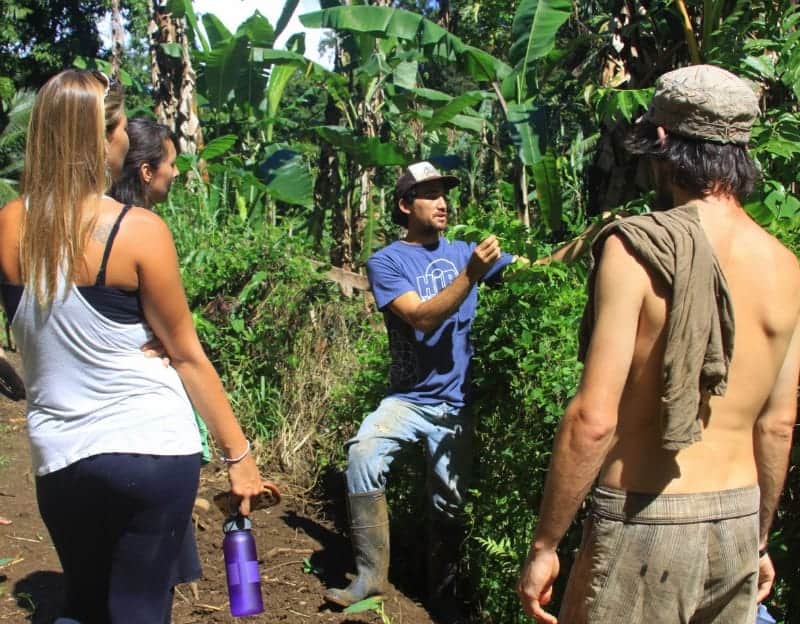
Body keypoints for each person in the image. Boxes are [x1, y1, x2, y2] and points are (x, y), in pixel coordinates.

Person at [517, 65, 800, 624]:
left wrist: (546, 545)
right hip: (738, 521)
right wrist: (759, 540)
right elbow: (778, 424)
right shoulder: (787, 267)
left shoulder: (637, 248)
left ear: (663, 141)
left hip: (646, 522)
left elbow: (594, 419)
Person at [0, 69, 276, 623]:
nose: (126, 138)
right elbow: (186, 354)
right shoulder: (138, 230)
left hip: (59, 454)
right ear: (103, 138)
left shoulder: (9, 225)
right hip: (149, 447)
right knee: (139, 608)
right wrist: (239, 458)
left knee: (84, 601)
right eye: (122, 126)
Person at [323, 161, 517, 623]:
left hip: (456, 403)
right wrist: (472, 272)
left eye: (444, 193)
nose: (443, 202)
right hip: (409, 400)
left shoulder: (464, 251)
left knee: (448, 502)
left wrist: (594, 241)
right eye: (430, 194)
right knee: (363, 454)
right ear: (406, 205)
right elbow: (422, 316)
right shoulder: (387, 261)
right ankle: (372, 575)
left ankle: (444, 595)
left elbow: (536, 270)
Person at [110, 116, 178, 209]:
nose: (176, 172)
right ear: (147, 172)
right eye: (172, 165)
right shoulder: (144, 222)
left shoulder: (98, 213)